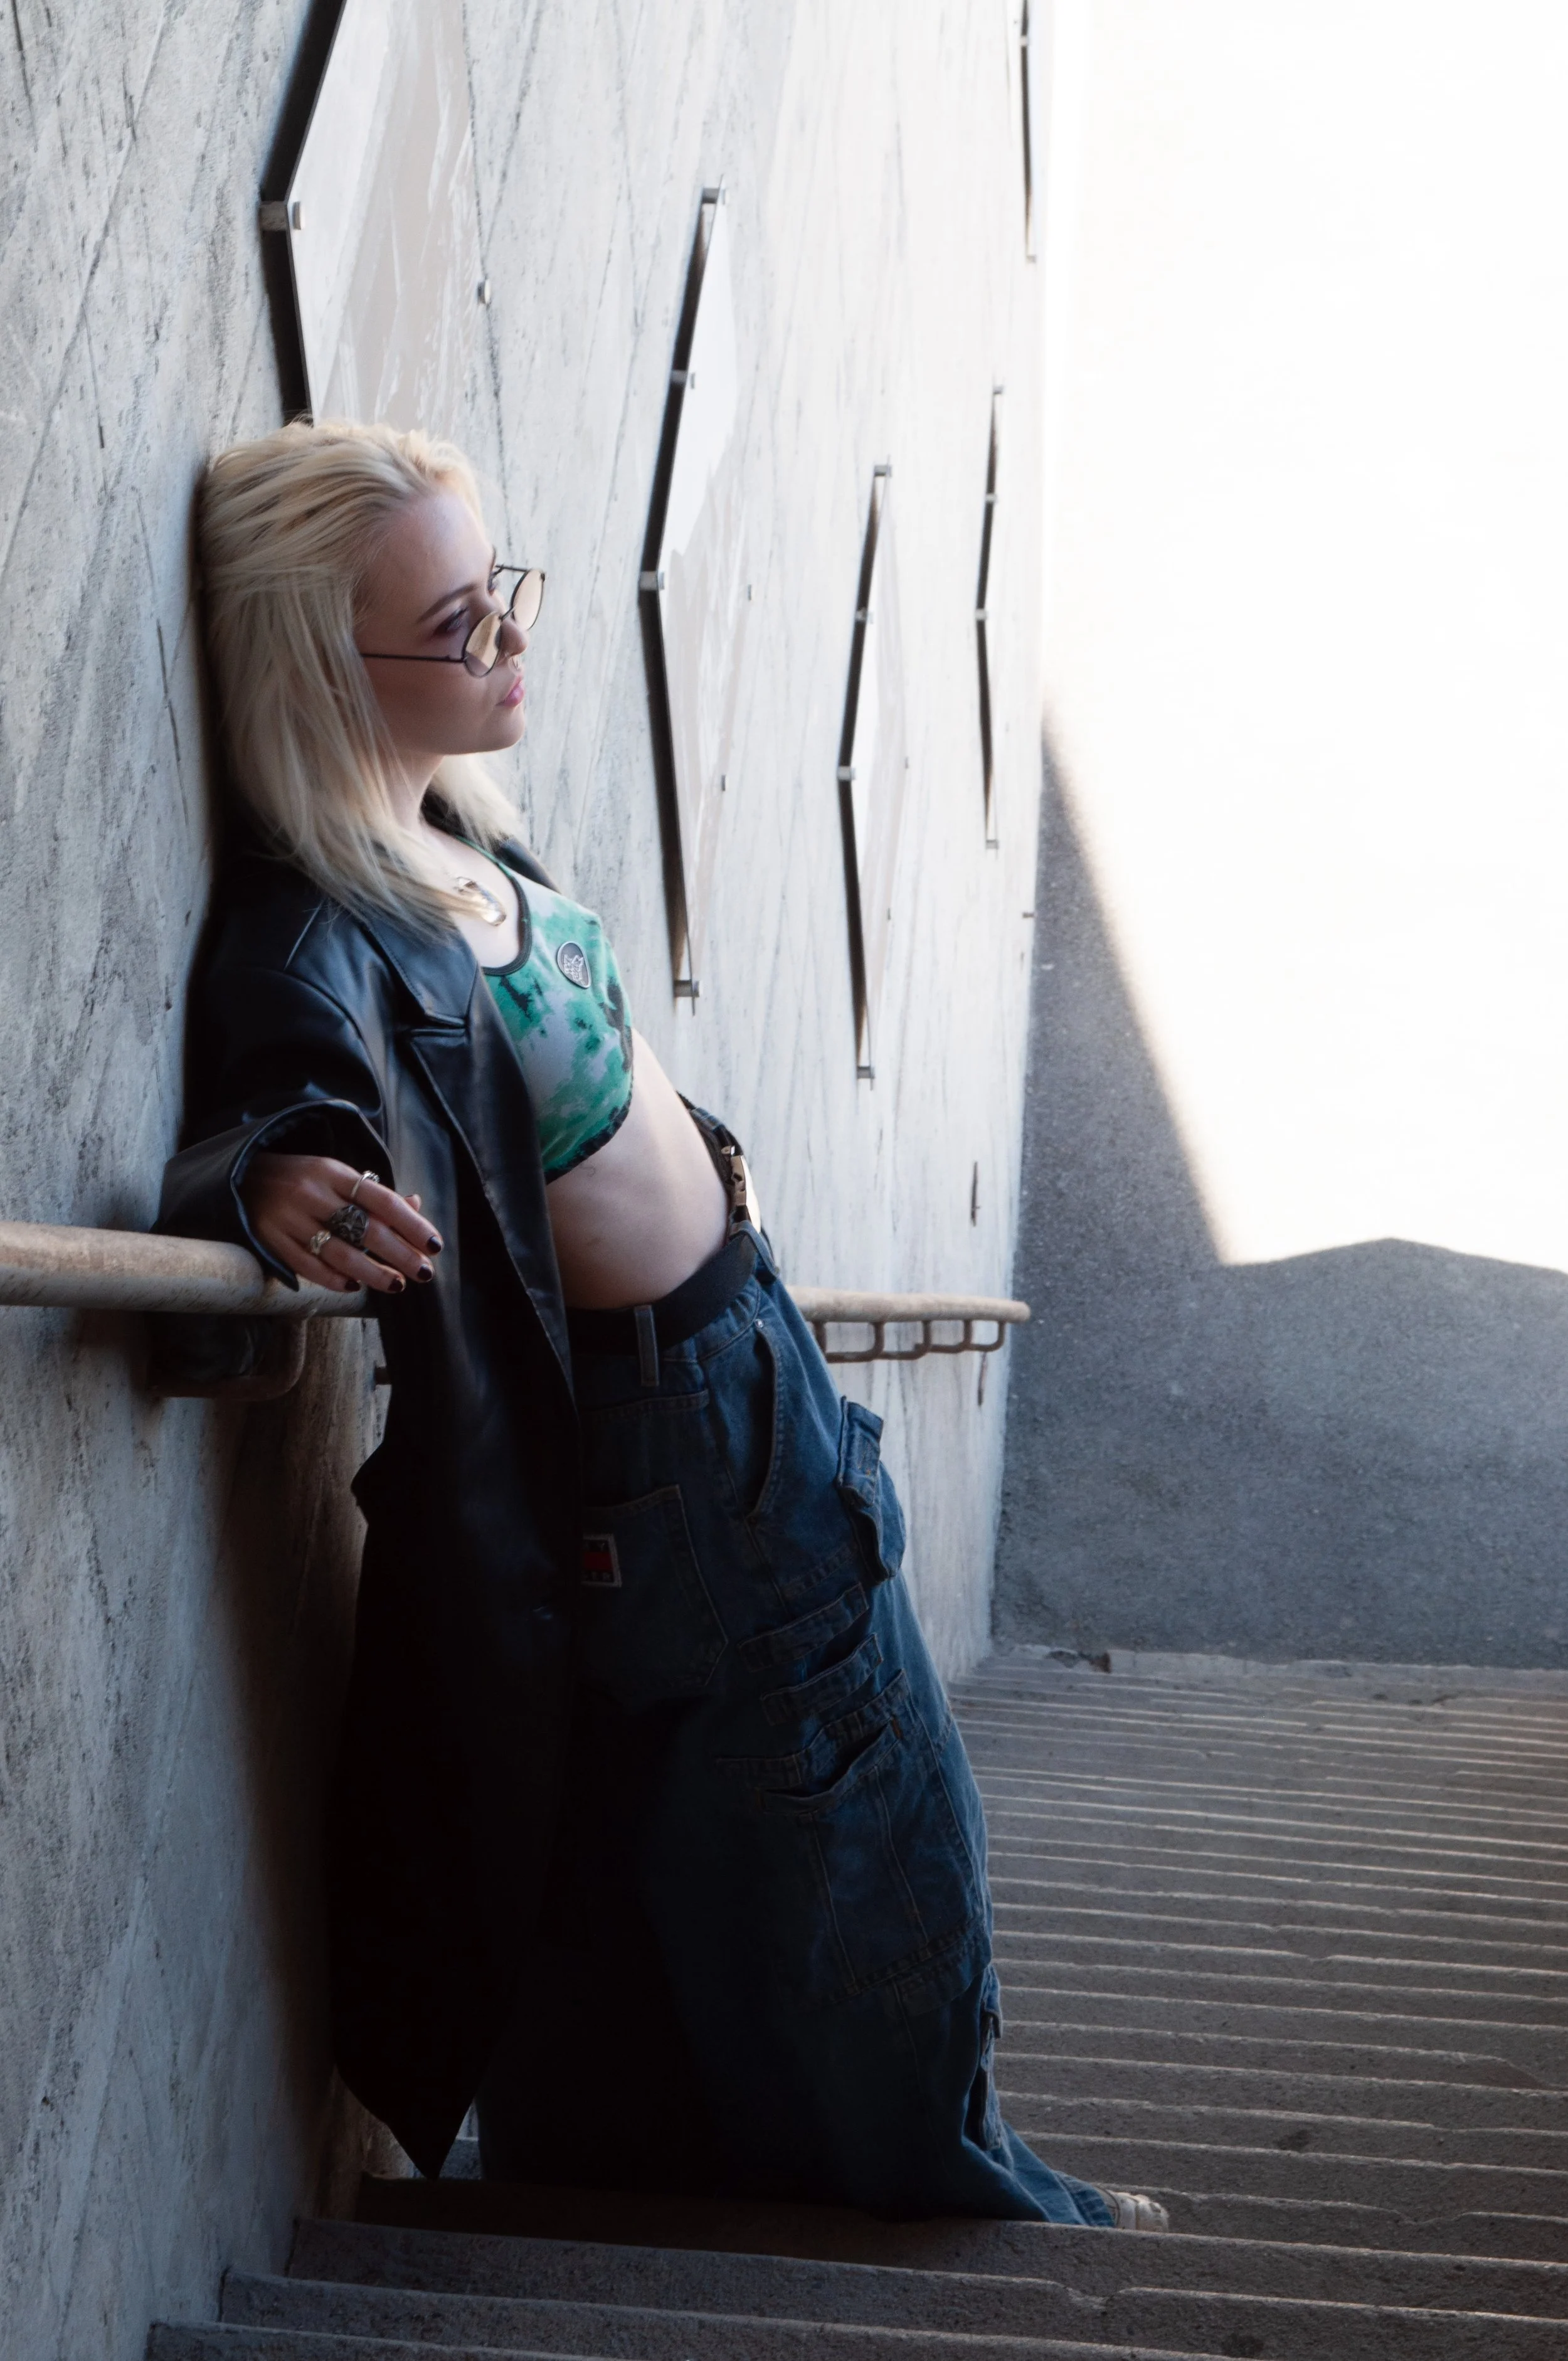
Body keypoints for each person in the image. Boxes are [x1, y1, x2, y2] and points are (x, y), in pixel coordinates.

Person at [159, 418, 1165, 2232]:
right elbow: (290, 1092)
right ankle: (971, 2208)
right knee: (866, 1830)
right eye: (462, 623)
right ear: (330, 669)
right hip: (675, 1441)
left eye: (503, 588)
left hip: (729, 1361)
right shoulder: (320, 932)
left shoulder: (439, 814)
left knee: (733, 1836)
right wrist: (270, 1182)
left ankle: (745, 2177)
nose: (514, 639)